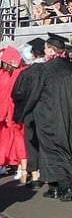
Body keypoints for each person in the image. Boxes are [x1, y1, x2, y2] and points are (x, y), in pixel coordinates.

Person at [19, 34, 72, 201]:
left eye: (46, 49)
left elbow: (33, 95)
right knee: (69, 148)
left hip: (49, 117)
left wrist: (23, 112)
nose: (45, 51)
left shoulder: (44, 70)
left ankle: (64, 186)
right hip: (71, 116)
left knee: (53, 151)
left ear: (51, 50)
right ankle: (55, 187)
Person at [10, 36, 46, 187]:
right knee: (46, 143)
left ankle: (36, 176)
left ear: (33, 54)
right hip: (48, 112)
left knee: (32, 143)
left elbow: (17, 94)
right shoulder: (50, 70)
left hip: (31, 113)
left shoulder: (27, 72)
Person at [0, 45, 27, 180]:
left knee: (15, 141)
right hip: (13, 113)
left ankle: (20, 168)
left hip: (12, 113)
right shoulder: (18, 73)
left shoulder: (7, 76)